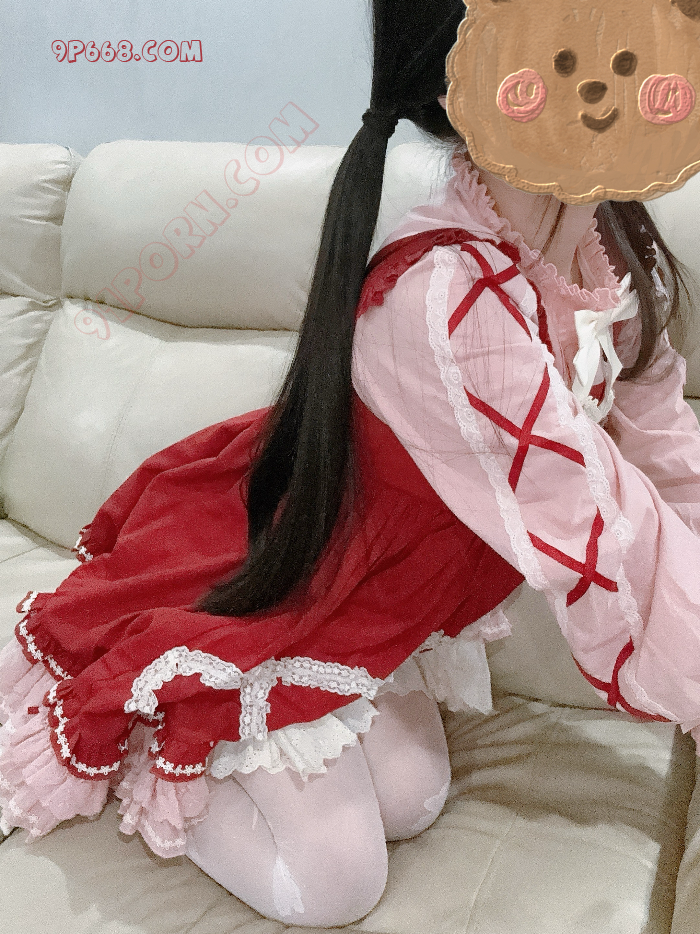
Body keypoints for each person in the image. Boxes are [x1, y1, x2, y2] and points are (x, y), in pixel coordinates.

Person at [2, 0, 700, 927]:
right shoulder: (451, 300)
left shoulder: (614, 253)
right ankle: (155, 725)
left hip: (381, 593)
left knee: (413, 798)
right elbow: (608, 538)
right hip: (283, 570)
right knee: (336, 884)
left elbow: (670, 465)